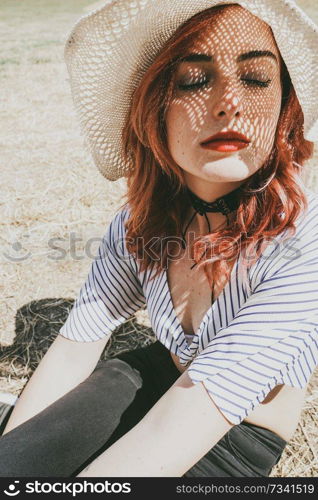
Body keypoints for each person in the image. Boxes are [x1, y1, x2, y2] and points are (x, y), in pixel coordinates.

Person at [0, 0, 318, 477]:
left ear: (283, 105)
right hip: (151, 375)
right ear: (153, 109)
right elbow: (75, 344)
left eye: (255, 78)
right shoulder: (140, 221)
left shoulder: (304, 239)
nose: (229, 101)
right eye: (192, 80)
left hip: (235, 438)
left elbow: (178, 428)